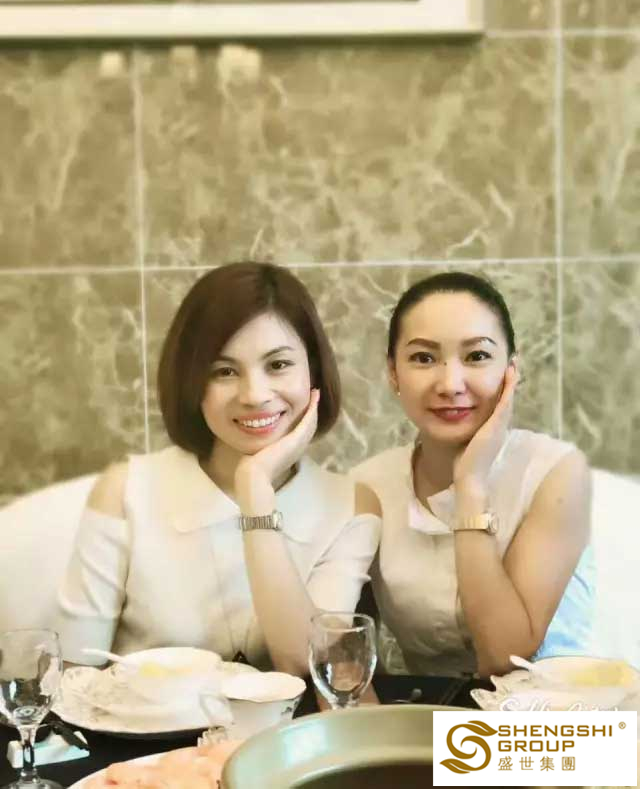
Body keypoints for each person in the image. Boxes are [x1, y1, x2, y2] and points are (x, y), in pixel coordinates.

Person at [55, 262, 380, 676]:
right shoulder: (124, 492)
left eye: (278, 365)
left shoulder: (350, 505)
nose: (255, 395)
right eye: (224, 371)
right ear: (192, 383)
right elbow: (74, 677)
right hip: (143, 721)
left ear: (313, 371)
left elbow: (306, 664)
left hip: (287, 721)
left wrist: (255, 490)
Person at [352, 272, 593, 679]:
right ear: (393, 372)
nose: (450, 384)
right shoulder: (368, 486)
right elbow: (340, 642)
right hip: (431, 712)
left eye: (477, 356)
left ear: (511, 371)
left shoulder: (558, 472)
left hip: (561, 712)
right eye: (423, 358)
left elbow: (505, 656)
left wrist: (470, 486)